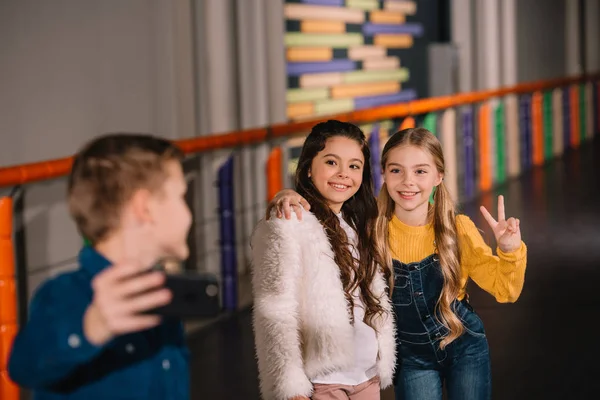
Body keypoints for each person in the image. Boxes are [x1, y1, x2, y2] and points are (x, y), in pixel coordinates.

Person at [268, 127, 527, 400]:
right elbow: (325, 209)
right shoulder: (370, 228)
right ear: (384, 174)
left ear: (439, 176)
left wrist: (509, 251)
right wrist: (285, 195)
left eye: (420, 171)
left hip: (465, 347)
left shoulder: (457, 229)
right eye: (396, 170)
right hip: (411, 358)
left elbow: (505, 289)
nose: (407, 181)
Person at [8, 133, 192, 400]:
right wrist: (89, 328)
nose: (188, 213)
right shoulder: (66, 294)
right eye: (181, 196)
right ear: (145, 208)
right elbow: (22, 366)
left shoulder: (158, 295)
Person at [251, 120, 396, 400]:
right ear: (307, 168)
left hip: (367, 375)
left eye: (354, 166)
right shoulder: (290, 221)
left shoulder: (359, 222)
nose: (343, 174)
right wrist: (290, 387)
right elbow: (275, 312)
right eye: (331, 162)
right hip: (322, 381)